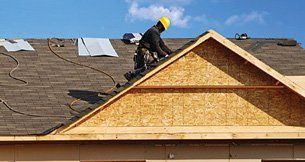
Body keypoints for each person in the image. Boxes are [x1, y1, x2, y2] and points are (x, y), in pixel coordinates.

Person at [124, 16, 173, 81]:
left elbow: (162, 45)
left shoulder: (155, 32)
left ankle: (133, 76)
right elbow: (156, 47)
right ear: (161, 26)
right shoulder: (153, 32)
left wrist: (171, 53)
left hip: (144, 53)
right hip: (143, 53)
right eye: (163, 29)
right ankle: (132, 75)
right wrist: (165, 55)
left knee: (147, 69)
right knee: (146, 70)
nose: (163, 31)